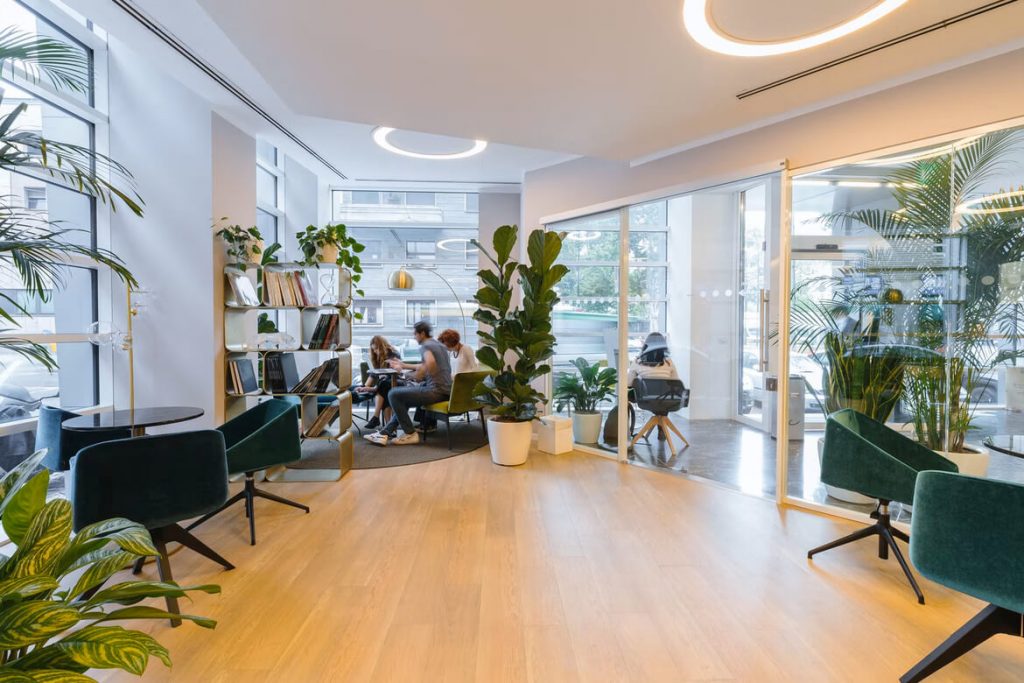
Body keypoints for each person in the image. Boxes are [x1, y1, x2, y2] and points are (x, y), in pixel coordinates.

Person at [365, 321, 452, 446]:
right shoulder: (439, 345)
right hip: (446, 391)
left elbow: (429, 365)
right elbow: (426, 364)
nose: (414, 337)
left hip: (435, 391)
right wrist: (403, 365)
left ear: (422, 333)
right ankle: (385, 433)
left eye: (415, 334)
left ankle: (410, 433)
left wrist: (409, 375)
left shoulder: (426, 346)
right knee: (402, 396)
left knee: (393, 394)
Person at [353, 335, 401, 429]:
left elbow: (392, 375)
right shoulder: (377, 357)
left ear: (382, 346)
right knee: (384, 391)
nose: (375, 352)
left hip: (396, 382)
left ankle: (376, 417)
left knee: (384, 386)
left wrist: (371, 388)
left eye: (376, 349)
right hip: (384, 386)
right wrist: (365, 387)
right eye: (373, 350)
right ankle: (389, 427)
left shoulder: (393, 354)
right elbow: (373, 374)